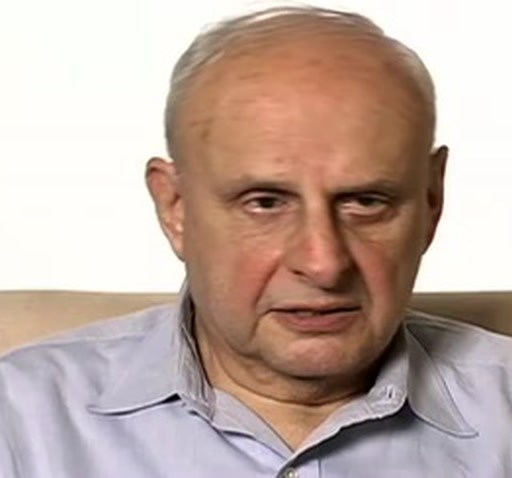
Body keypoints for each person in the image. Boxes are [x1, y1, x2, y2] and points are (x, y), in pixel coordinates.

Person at [1, 5, 511, 477]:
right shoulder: (21, 421)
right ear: (175, 208)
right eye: (266, 203)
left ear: (432, 200)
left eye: (366, 202)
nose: (324, 263)